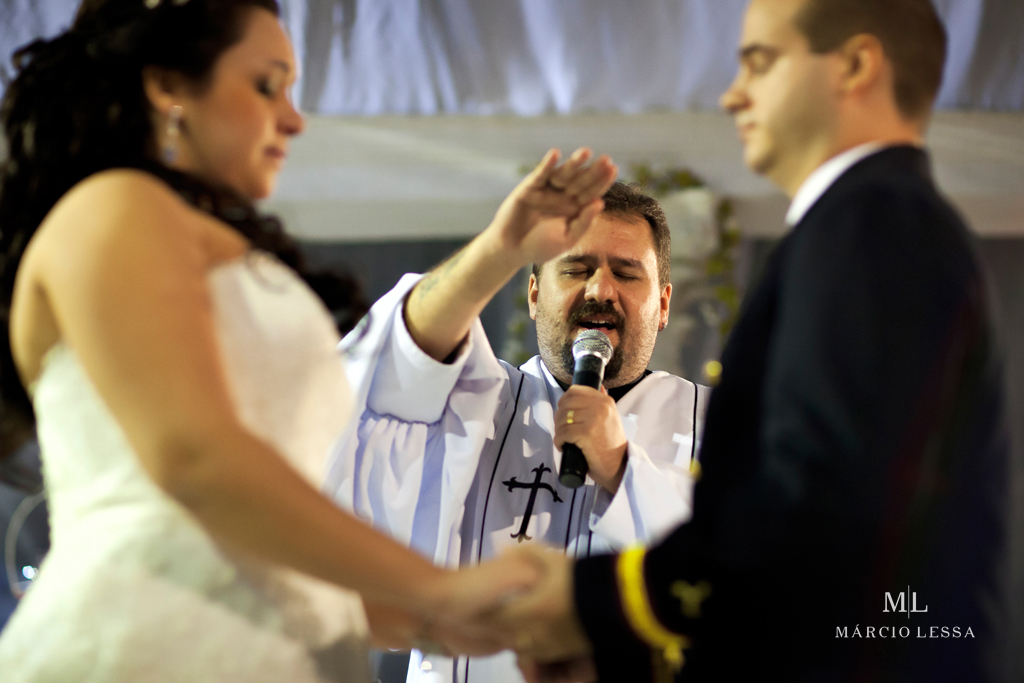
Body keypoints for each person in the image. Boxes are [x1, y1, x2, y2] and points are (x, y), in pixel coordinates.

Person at [0, 0, 605, 679]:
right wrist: (437, 588)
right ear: (168, 86)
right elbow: (195, 460)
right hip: (143, 642)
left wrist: (436, 619)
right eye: (266, 85)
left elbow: (262, 554)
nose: (293, 118)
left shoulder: (211, 248)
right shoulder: (113, 205)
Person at [502, 1, 1011, 682]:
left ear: (857, 65)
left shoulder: (870, 225)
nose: (731, 93)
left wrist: (601, 605)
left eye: (759, 62)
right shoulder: (865, 223)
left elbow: (819, 512)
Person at [324, 175, 710, 683]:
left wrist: (622, 466)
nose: (600, 289)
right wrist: (500, 247)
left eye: (626, 272)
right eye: (576, 268)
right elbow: (395, 366)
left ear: (662, 306)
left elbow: (753, 580)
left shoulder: (717, 424)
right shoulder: (471, 399)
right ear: (532, 294)